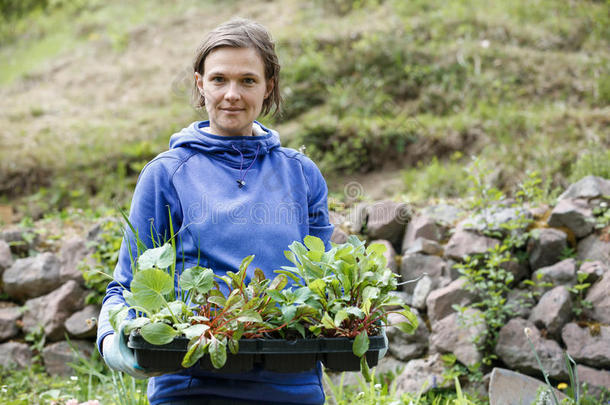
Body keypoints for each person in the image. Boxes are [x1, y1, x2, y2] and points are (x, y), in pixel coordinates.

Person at [96, 18, 334, 405]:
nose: (232, 95)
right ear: (199, 83)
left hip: (291, 385)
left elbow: (325, 281)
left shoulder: (301, 174)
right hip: (192, 387)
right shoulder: (167, 174)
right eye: (219, 79)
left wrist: (360, 316)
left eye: (248, 81)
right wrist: (115, 340)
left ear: (269, 86)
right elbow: (125, 286)